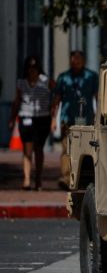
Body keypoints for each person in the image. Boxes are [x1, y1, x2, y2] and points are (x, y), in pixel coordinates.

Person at [51, 50, 99, 189]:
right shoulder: (63, 77)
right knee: (67, 149)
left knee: (85, 149)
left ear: (83, 61)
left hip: (86, 119)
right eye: (73, 60)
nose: (76, 63)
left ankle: (82, 177)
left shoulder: (91, 76)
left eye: (78, 60)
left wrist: (98, 115)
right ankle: (66, 178)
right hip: (68, 119)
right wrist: (53, 119)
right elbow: (57, 99)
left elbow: (97, 96)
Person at [8, 55, 55, 190]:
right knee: (27, 150)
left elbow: (57, 94)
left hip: (42, 118)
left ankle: (38, 179)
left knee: (38, 149)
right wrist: (12, 118)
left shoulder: (45, 81)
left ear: (38, 68)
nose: (32, 70)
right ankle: (27, 179)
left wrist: (53, 113)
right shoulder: (21, 83)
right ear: (26, 69)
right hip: (26, 117)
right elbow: (17, 101)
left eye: (34, 67)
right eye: (29, 67)